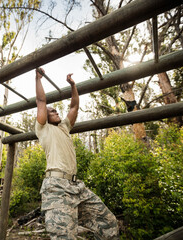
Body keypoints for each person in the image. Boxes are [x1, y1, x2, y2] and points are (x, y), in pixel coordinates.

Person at [34, 67, 119, 240]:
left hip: (76, 187)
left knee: (108, 223)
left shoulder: (64, 128)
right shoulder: (43, 129)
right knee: (65, 237)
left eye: (56, 110)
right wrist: (38, 79)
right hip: (56, 187)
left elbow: (74, 106)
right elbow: (41, 101)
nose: (56, 112)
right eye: (52, 111)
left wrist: (73, 85)